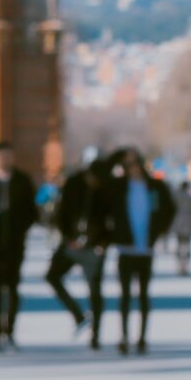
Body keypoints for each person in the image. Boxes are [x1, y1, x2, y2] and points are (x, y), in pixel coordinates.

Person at [104, 149, 174, 356]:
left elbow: (169, 210)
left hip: (146, 249)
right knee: (125, 295)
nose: (131, 168)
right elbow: (104, 175)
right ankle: (124, 337)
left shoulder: (154, 187)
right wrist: (119, 154)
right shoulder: (118, 187)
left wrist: (158, 232)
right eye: (127, 164)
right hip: (126, 248)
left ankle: (142, 338)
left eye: (134, 163)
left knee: (143, 294)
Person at [48, 148, 111, 349]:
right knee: (52, 276)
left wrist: (103, 244)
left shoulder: (106, 188)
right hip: (71, 244)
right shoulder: (73, 184)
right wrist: (68, 238)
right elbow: (62, 212)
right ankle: (78, 315)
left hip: (94, 247)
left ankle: (96, 335)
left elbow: (112, 220)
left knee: (94, 290)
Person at [0, 141, 38, 352]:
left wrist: (20, 228)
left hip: (16, 243)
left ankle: (10, 332)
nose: (4, 159)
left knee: (13, 288)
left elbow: (32, 213)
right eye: (0, 156)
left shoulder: (23, 181)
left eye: (8, 155)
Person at [171, 180, 191, 275]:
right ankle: (185, 265)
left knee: (179, 244)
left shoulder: (175, 197)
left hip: (178, 224)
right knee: (187, 245)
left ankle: (180, 265)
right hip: (188, 224)